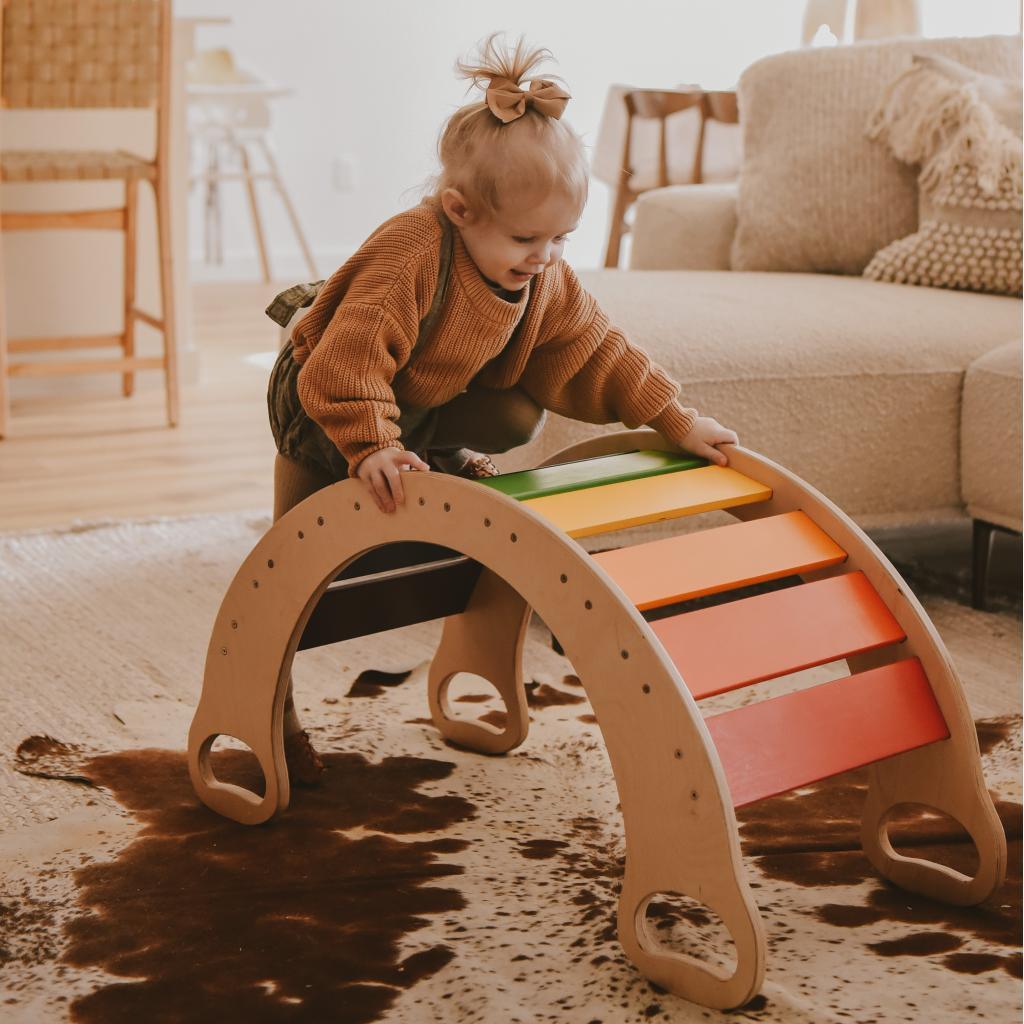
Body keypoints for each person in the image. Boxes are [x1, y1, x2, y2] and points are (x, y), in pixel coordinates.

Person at [267, 34, 738, 784]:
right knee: (291, 567)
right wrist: (371, 447)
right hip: (322, 395)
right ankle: (271, 709)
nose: (544, 255)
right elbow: (349, 360)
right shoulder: (410, 254)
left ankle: (439, 453)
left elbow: (598, 349)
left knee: (521, 417)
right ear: (458, 210)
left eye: (561, 238)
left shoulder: (544, 272)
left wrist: (676, 420)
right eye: (526, 237)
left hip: (420, 404)